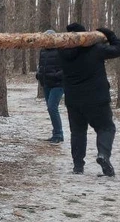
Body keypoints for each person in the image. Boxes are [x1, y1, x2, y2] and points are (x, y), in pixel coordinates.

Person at [58, 23, 120, 176]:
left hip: (73, 100)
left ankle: (78, 166)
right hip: (97, 98)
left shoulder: (62, 52)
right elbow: (117, 49)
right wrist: (109, 34)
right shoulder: (95, 49)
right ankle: (103, 155)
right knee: (106, 128)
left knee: (78, 132)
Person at [36, 30, 64, 143]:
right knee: (50, 108)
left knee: (52, 107)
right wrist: (38, 74)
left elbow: (66, 68)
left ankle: (59, 134)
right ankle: (56, 133)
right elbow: (41, 66)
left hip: (58, 84)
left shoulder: (61, 50)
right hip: (46, 84)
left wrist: (55, 76)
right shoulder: (42, 51)